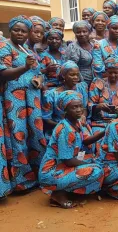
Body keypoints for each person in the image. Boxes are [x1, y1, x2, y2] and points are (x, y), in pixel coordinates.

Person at [0, 16, 46, 192]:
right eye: (16, 30)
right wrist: (25, 68)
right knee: (18, 136)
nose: (20, 33)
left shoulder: (26, 49)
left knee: (36, 134)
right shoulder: (5, 47)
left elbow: (39, 71)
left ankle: (39, 174)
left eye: (23, 31)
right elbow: (3, 73)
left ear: (28, 33)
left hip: (32, 98)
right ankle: (22, 181)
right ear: (10, 30)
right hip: (15, 98)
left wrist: (39, 79)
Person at [39, 90, 104, 209]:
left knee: (97, 163)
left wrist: (104, 132)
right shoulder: (65, 129)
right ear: (65, 110)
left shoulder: (76, 122)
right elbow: (68, 161)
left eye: (80, 106)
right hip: (52, 173)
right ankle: (58, 194)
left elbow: (85, 140)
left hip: (62, 166)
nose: (79, 110)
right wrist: (91, 163)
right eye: (74, 107)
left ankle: (67, 190)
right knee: (97, 170)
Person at [42, 61, 88, 139]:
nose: (76, 77)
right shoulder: (51, 94)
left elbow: (84, 108)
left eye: (77, 74)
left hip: (79, 126)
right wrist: (65, 126)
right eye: (72, 75)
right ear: (64, 75)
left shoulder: (82, 88)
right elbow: (47, 119)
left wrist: (83, 116)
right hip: (59, 127)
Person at [88, 55, 118, 134]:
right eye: (110, 72)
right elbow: (90, 104)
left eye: (116, 73)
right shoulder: (97, 82)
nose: (113, 75)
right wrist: (98, 106)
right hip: (100, 123)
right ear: (106, 71)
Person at [64, 20, 94, 85]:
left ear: (89, 32)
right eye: (78, 32)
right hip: (79, 82)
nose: (81, 34)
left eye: (84, 31)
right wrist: (81, 82)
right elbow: (71, 67)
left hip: (95, 81)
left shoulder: (94, 45)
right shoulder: (73, 47)